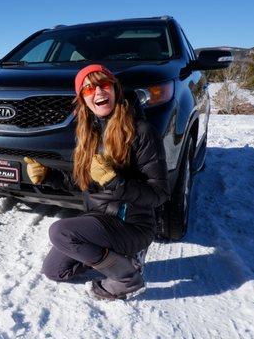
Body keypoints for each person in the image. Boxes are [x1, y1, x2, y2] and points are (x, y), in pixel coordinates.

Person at [23, 64, 170, 300]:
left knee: (60, 231)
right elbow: (83, 183)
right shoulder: (87, 134)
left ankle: (126, 276)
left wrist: (115, 181)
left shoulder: (141, 132)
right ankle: (120, 261)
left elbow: (159, 194)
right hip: (100, 221)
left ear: (115, 89)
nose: (98, 92)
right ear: (83, 99)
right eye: (89, 89)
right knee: (55, 271)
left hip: (132, 224)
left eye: (103, 85)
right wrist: (49, 176)